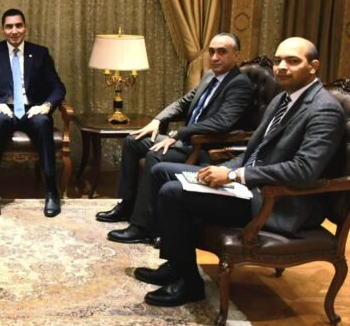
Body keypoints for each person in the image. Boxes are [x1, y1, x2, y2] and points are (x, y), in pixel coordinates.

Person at [133, 37, 345, 307]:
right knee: (161, 170)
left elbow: (304, 170)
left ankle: (189, 283)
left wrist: (234, 176)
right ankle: (175, 264)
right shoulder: (282, 99)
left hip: (277, 202)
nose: (281, 67)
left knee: (173, 193)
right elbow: (253, 152)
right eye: (278, 60)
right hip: (250, 187)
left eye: (293, 61)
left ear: (313, 66)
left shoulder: (324, 110)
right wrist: (223, 169)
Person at [97, 33, 254, 244]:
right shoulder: (210, 76)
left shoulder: (239, 84)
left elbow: (222, 122)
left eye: (222, 52)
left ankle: (143, 226)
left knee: (155, 154)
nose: (215, 57)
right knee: (133, 140)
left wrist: (178, 133)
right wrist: (157, 119)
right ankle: (128, 204)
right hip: (187, 141)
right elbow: (183, 103)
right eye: (211, 52)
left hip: (206, 149)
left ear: (236, 55)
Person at [0, 8, 67, 217]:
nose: (14, 31)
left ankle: (52, 192)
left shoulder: (40, 53)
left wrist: (46, 105)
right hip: (4, 110)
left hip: (32, 110)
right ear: (3, 30)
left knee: (43, 122)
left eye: (18, 25)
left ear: (25, 27)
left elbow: (57, 87)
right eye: (9, 27)